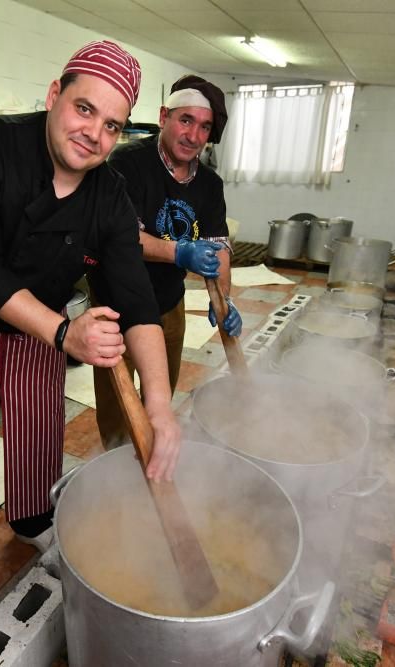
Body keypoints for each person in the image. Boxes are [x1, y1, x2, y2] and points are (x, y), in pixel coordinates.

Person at [0, 41, 182, 595]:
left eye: (112, 125)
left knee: (36, 429)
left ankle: (32, 523)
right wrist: (65, 332)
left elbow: (136, 299)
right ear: (53, 96)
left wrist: (160, 408)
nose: (94, 134)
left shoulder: (109, 195)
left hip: (42, 327)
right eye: (84, 109)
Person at [92, 74, 240, 451]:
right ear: (163, 116)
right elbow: (122, 238)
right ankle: (116, 469)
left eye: (204, 126)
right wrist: (179, 252)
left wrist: (224, 299)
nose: (193, 135)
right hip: (116, 308)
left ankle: (152, 464)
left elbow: (217, 246)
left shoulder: (209, 184)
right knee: (117, 409)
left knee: (159, 397)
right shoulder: (126, 164)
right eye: (185, 120)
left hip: (168, 305)